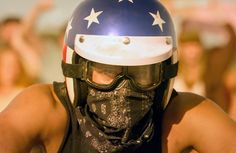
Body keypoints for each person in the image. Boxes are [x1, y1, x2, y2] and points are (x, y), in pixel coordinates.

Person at [0, 0, 236, 153]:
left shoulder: (182, 116)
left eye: (140, 72)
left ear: (165, 73)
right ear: (76, 69)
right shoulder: (47, 110)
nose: (123, 87)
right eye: (107, 71)